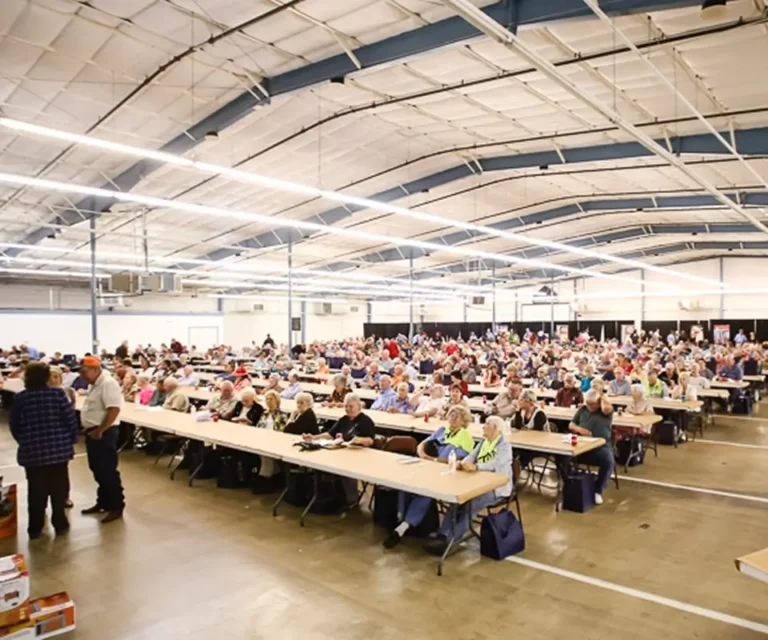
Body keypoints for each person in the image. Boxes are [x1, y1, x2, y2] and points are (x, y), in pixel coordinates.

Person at [382, 405, 475, 549]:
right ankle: (400, 518)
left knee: (425, 492)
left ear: (464, 421)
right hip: (425, 466)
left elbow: (458, 459)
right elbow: (422, 444)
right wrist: (423, 454)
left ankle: (404, 526)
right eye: (451, 414)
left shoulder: (466, 437)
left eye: (457, 416)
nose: (453, 417)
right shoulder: (441, 430)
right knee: (404, 484)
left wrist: (434, 460)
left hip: (445, 474)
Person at [10, 362, 79, 539]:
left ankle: (35, 527)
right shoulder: (57, 394)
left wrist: (24, 441)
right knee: (59, 488)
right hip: (59, 449)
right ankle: (60, 522)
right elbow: (70, 419)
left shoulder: (21, 398)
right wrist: (70, 440)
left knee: (35, 490)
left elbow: (14, 425)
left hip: (32, 451)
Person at [425, 416, 513, 554]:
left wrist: (477, 467)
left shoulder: (504, 446)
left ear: (495, 428)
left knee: (471, 505)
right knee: (457, 500)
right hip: (478, 481)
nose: (483, 427)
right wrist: (463, 463)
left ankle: (451, 539)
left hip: (496, 488)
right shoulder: (484, 442)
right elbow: (472, 456)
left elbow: (496, 464)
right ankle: (442, 534)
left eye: (487, 425)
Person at [303, 393, 375, 508]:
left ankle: (351, 499)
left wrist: (359, 440)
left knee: (346, 467)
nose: (348, 409)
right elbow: (330, 434)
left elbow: (370, 440)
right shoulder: (344, 419)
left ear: (358, 406)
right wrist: (314, 437)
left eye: (351, 406)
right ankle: (330, 496)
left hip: (359, 455)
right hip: (342, 451)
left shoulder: (366, 421)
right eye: (346, 406)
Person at [79, 356, 125, 523]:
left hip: (104, 433)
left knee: (107, 470)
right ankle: (103, 502)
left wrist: (100, 430)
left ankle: (116, 506)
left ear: (95, 369)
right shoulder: (94, 384)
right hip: (94, 432)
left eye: (84, 372)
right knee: (97, 469)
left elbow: (114, 409)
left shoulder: (108, 383)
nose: (82, 376)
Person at [568, 389, 615, 505]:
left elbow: (606, 407)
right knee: (563, 456)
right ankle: (569, 486)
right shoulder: (583, 410)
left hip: (601, 445)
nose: (590, 406)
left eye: (593, 404)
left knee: (608, 461)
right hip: (582, 443)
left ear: (599, 402)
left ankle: (598, 490)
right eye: (588, 403)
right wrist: (580, 429)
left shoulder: (605, 411)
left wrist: (602, 396)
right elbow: (571, 424)